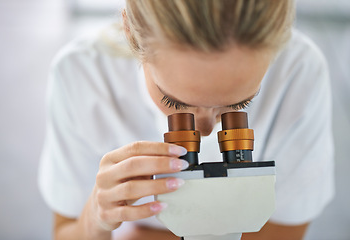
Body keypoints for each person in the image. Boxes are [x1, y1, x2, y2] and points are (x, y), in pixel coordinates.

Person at [38, 1, 334, 239]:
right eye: (175, 103)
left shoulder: (299, 72)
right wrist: (96, 219)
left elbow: (286, 230)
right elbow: (66, 231)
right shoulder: (80, 75)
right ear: (130, 31)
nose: (206, 130)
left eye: (240, 104)